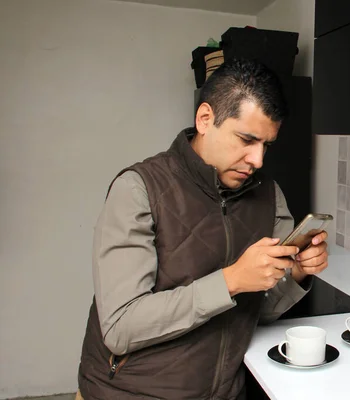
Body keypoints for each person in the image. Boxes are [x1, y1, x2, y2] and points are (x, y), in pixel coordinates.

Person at [77, 59, 329, 399]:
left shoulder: (269, 195)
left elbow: (261, 311)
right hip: (130, 392)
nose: (258, 160)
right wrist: (232, 280)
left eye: (266, 145)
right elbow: (121, 328)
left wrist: (295, 273)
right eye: (246, 139)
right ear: (205, 119)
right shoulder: (139, 189)